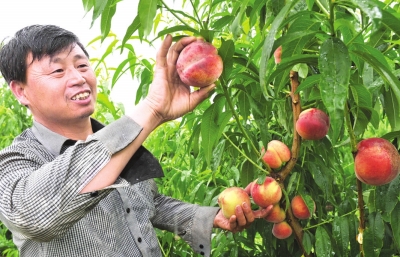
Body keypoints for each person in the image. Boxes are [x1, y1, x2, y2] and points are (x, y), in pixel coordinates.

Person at [0, 25, 272, 257]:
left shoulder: (122, 144)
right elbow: (34, 216)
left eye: (82, 65)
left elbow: (148, 206)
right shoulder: (15, 162)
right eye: (57, 72)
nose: (79, 78)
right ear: (21, 91)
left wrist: (210, 217)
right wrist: (152, 108)